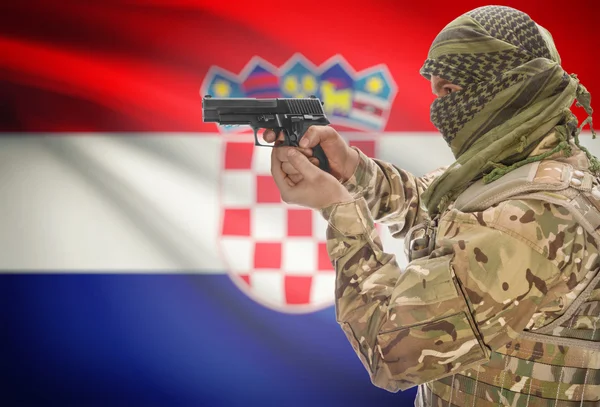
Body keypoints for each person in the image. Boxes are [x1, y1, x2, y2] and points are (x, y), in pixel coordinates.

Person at [264, 5, 600, 407]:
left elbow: (392, 354)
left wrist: (340, 209)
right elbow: (432, 210)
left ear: (509, 85)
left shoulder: (534, 220)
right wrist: (351, 168)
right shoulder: (517, 169)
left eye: (451, 92)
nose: (440, 109)